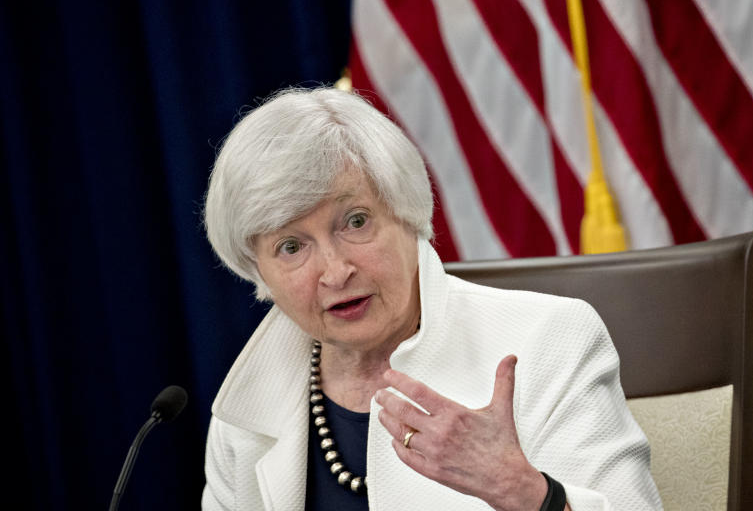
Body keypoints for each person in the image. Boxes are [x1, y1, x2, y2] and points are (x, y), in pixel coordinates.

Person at [201, 86, 663, 511]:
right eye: (291, 247)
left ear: (408, 212)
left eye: (356, 221)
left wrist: (518, 489)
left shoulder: (548, 342)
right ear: (257, 270)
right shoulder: (246, 405)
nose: (336, 272)